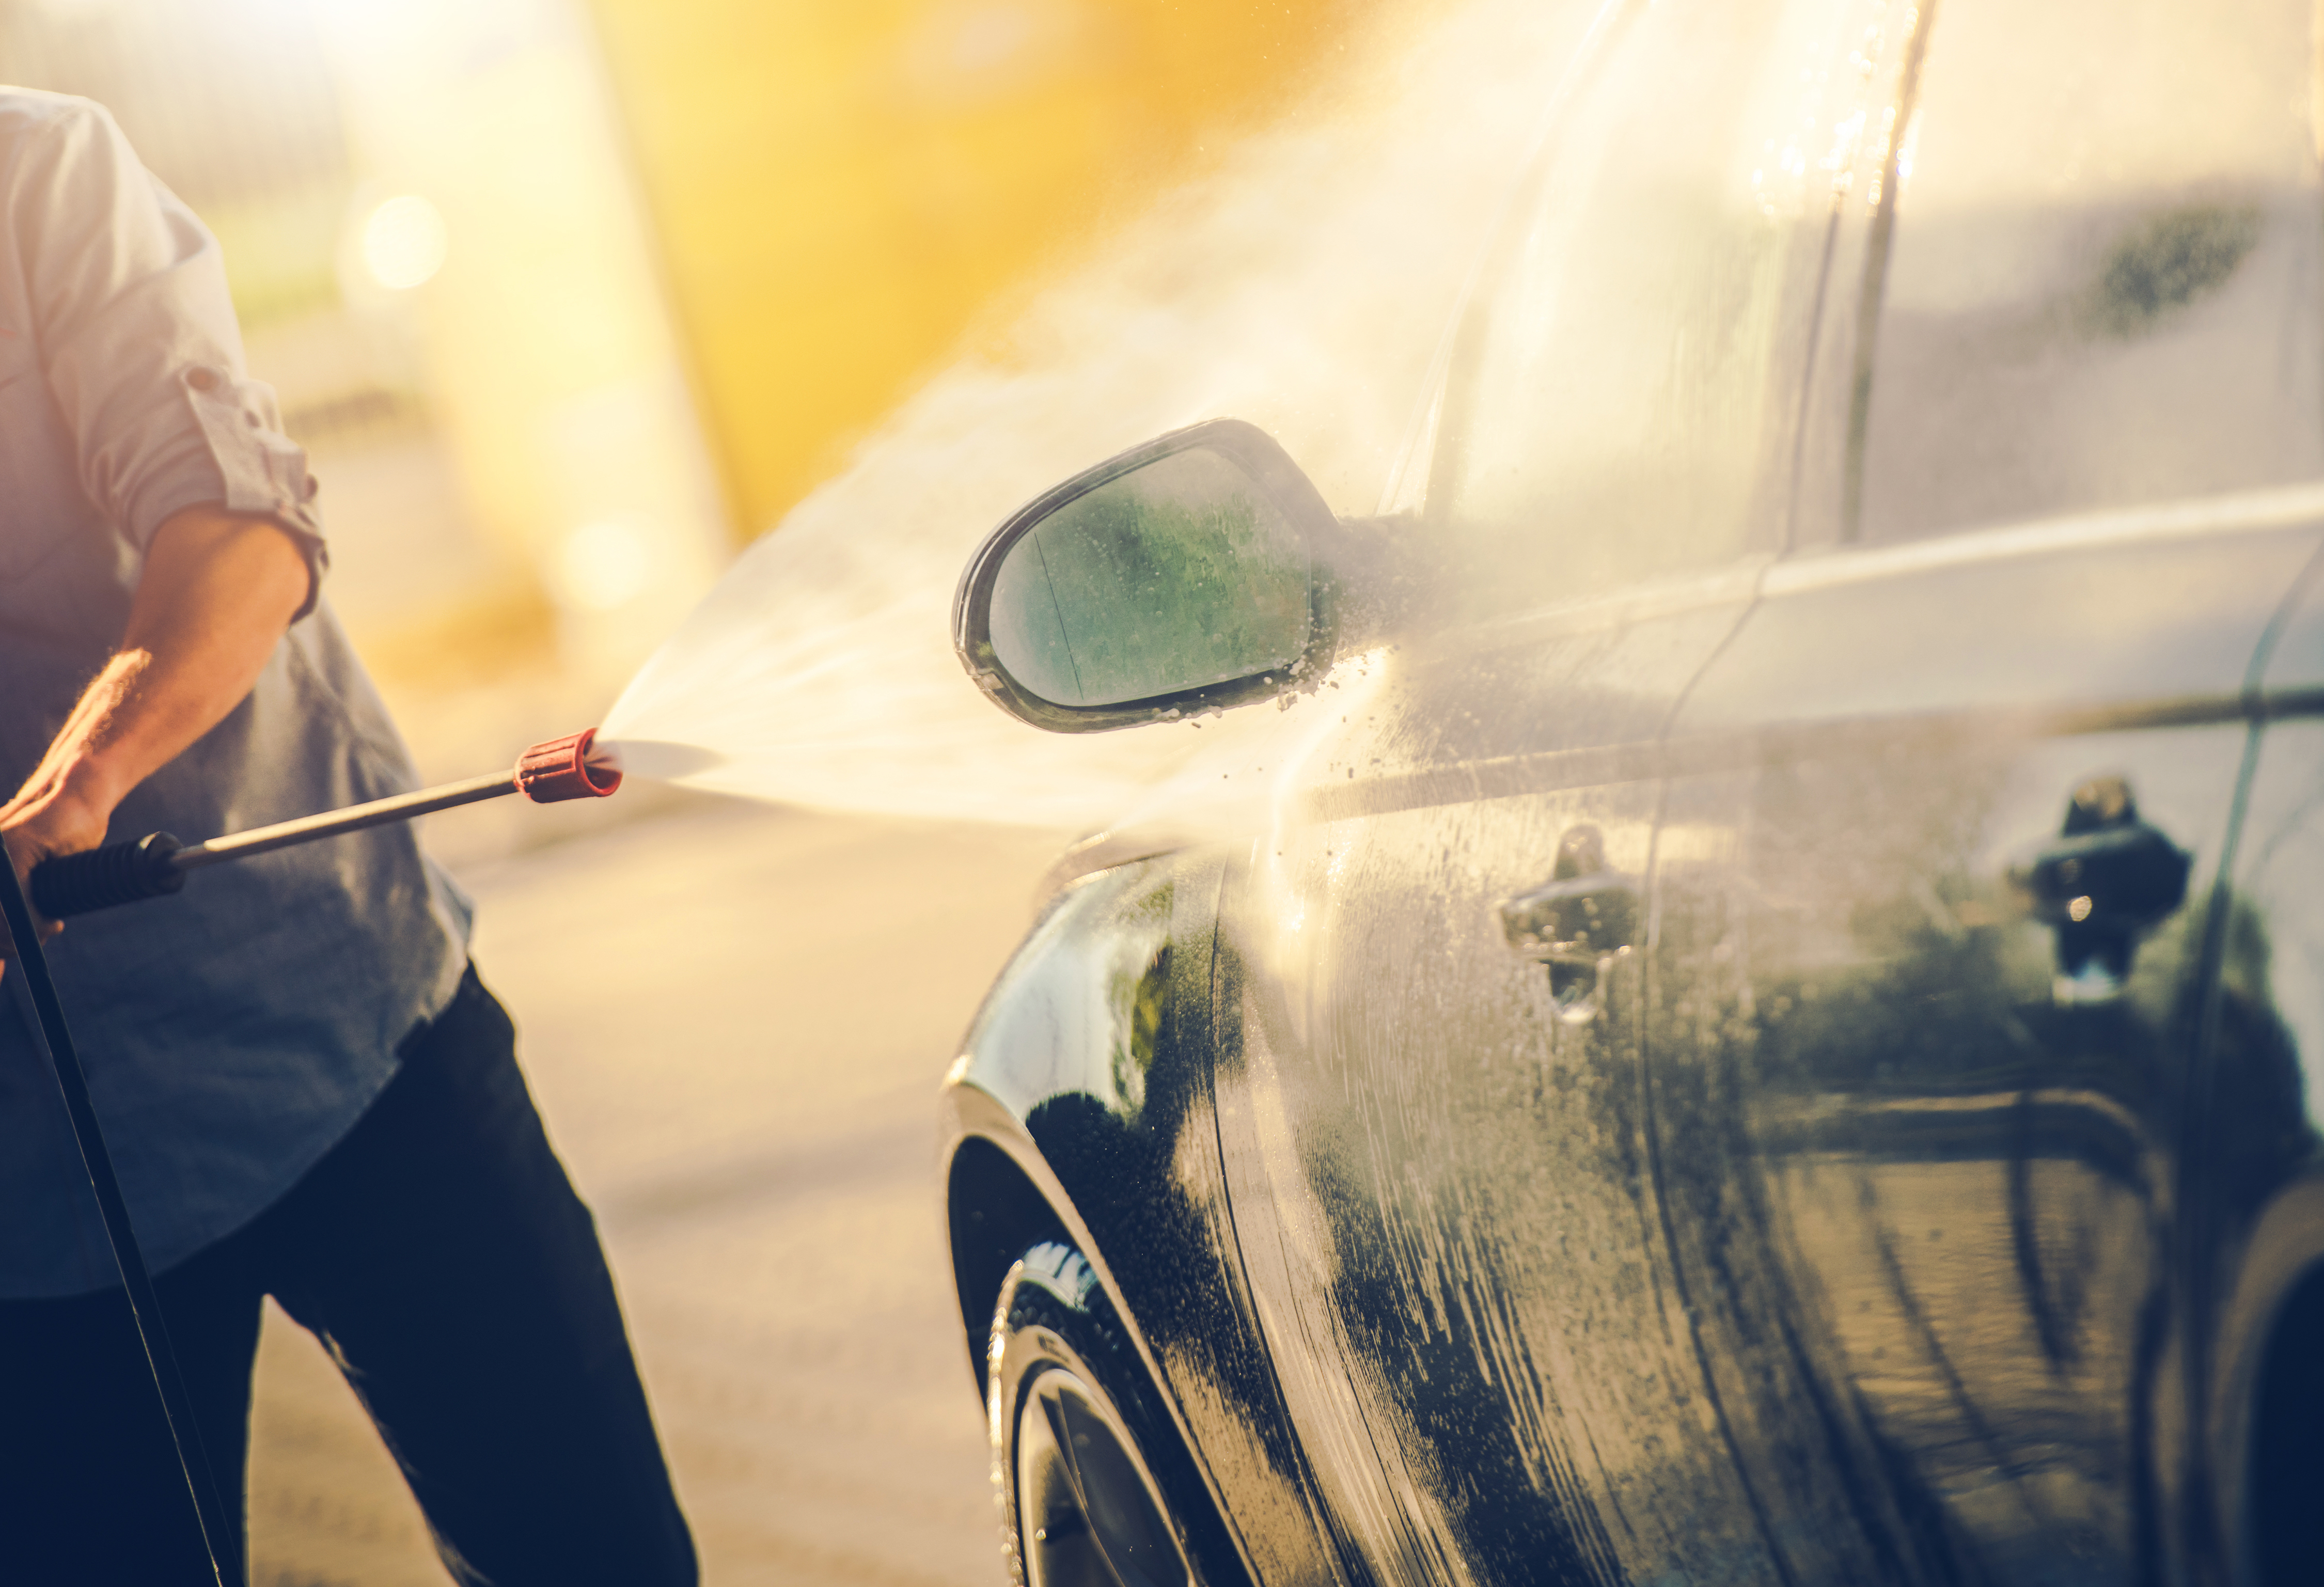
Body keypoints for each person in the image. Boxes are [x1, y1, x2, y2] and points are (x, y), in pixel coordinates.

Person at [0, 89, 697, 1584]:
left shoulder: (41, 175)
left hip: (355, 1044)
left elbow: (239, 537)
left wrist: (73, 785)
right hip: (31, 1233)